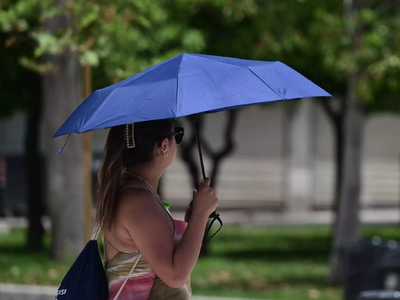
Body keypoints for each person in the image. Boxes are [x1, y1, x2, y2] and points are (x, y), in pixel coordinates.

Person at [96, 119, 218, 300]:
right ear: (164, 145)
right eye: (177, 135)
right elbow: (175, 276)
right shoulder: (137, 200)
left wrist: (193, 223)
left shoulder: (135, 192)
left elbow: (160, 258)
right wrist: (200, 215)